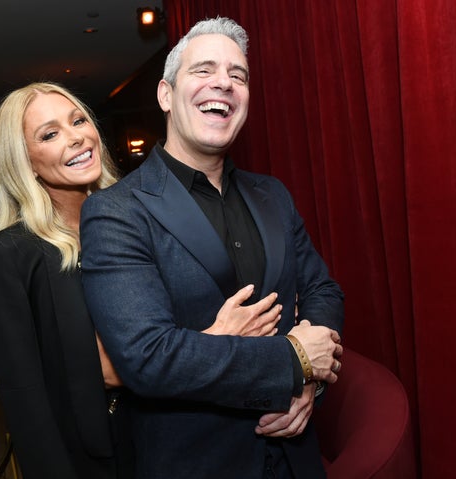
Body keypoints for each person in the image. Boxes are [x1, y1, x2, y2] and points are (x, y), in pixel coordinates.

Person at [80, 17, 345, 479]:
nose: (223, 82)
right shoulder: (117, 211)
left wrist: (308, 385)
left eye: (237, 75)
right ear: (166, 94)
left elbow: (323, 290)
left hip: (295, 455)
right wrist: (293, 362)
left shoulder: (274, 194)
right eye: (203, 70)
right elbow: (147, 357)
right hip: (196, 461)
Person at [0, 81, 282, 478]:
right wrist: (217, 339)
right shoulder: (12, 252)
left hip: (179, 435)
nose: (76, 138)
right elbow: (27, 398)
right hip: (97, 452)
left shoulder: (140, 214)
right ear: (25, 161)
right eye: (50, 134)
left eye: (79, 120)